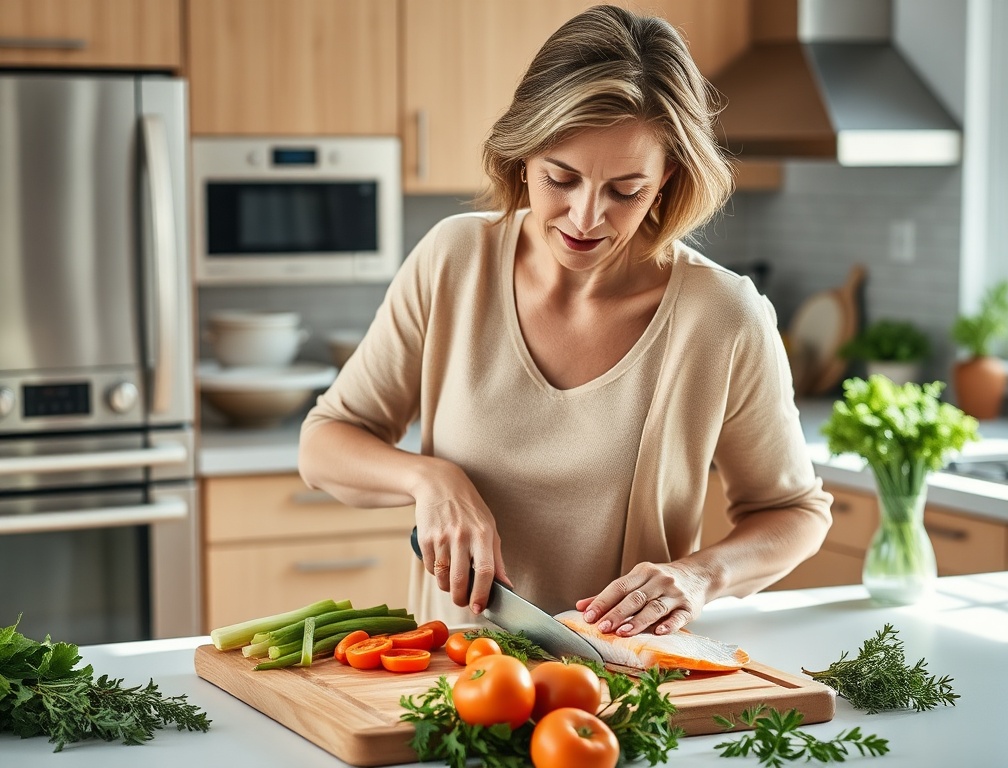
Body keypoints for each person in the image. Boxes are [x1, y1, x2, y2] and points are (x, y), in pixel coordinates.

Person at [298, 5, 832, 637]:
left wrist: (698, 576)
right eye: (561, 178)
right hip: (451, 676)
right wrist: (429, 478)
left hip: (622, 682)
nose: (585, 218)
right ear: (523, 155)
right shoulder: (455, 260)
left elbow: (794, 513)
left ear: (666, 181)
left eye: (625, 191)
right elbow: (324, 444)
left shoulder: (722, 317)